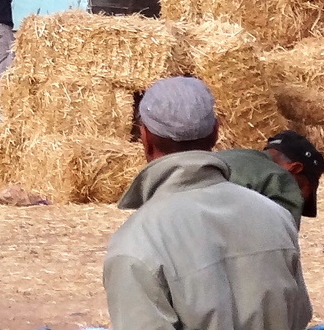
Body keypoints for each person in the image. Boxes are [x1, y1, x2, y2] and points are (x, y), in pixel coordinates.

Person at [105, 77, 313, 330]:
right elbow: (299, 316)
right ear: (215, 132)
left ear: (144, 138)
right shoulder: (275, 217)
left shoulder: (136, 243)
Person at [218, 130, 324, 228]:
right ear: (294, 168)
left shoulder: (218, 157)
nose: (300, 198)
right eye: (301, 190)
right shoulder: (280, 181)